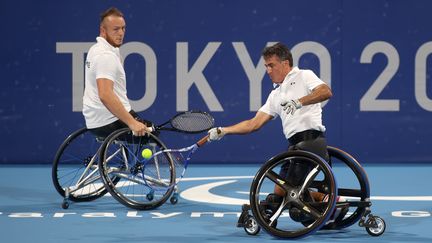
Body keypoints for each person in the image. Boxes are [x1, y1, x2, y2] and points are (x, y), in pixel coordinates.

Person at [208, 42, 344, 221]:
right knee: (278, 194)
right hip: (294, 147)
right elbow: (253, 124)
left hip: (311, 144)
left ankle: (332, 206)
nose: (268, 70)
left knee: (296, 205)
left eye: (271, 65)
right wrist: (224, 130)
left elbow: (326, 91)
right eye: (266, 66)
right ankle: (331, 200)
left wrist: (299, 102)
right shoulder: (275, 95)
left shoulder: (304, 75)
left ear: (285, 63)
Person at [82, 7, 152, 138]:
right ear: (103, 31)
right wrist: (132, 122)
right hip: (110, 121)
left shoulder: (95, 49)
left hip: (94, 122)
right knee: (152, 133)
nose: (121, 33)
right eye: (115, 29)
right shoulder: (106, 56)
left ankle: (126, 158)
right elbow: (105, 94)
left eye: (123, 28)